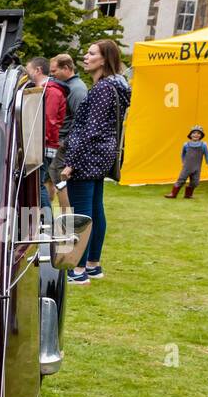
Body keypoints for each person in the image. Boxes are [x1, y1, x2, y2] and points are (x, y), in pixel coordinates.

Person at [60, 38, 131, 285]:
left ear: (105, 59)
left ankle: (78, 270)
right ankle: (93, 264)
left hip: (88, 156)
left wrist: (71, 163)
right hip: (101, 156)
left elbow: (92, 130)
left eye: (91, 54)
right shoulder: (116, 86)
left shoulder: (102, 89)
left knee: (82, 213)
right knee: (96, 210)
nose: (86, 57)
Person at [48, 53, 87, 211]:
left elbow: (82, 121)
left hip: (65, 145)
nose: (52, 75)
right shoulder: (65, 86)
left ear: (66, 68)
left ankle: (67, 226)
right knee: (49, 181)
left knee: (61, 184)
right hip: (58, 143)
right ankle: (45, 219)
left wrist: (67, 144)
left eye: (54, 71)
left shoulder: (77, 89)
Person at [25, 57, 66, 205]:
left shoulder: (52, 92)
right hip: (40, 143)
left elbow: (48, 120)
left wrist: (38, 142)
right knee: (36, 184)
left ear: (38, 70)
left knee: (38, 185)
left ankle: (46, 219)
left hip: (43, 145)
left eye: (28, 69)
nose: (26, 73)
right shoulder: (45, 90)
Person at [165, 126, 208, 198]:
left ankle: (188, 194)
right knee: (181, 180)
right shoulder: (186, 144)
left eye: (198, 133)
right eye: (194, 133)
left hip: (197, 168)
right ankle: (173, 194)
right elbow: (182, 154)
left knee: (195, 182)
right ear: (190, 134)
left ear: (201, 135)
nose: (196, 135)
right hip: (187, 167)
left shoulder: (203, 145)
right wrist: (183, 162)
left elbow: (207, 155)